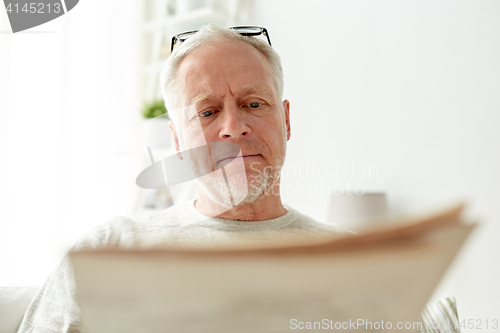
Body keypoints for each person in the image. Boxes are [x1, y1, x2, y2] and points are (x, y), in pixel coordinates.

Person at [17, 24, 349, 332]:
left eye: (254, 103)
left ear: (286, 120)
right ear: (177, 141)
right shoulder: (110, 249)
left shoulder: (355, 260)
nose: (233, 127)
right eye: (207, 112)